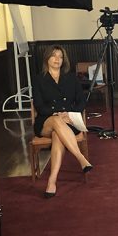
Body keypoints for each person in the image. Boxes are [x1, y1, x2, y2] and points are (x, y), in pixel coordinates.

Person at [32, 45, 93, 198]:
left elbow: (82, 101)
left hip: (69, 121)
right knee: (56, 120)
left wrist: (70, 114)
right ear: (47, 58)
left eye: (60, 56)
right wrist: (56, 113)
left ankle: (51, 181)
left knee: (58, 135)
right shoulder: (39, 79)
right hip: (46, 120)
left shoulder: (71, 78)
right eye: (54, 56)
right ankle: (81, 158)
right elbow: (39, 105)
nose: (57, 59)